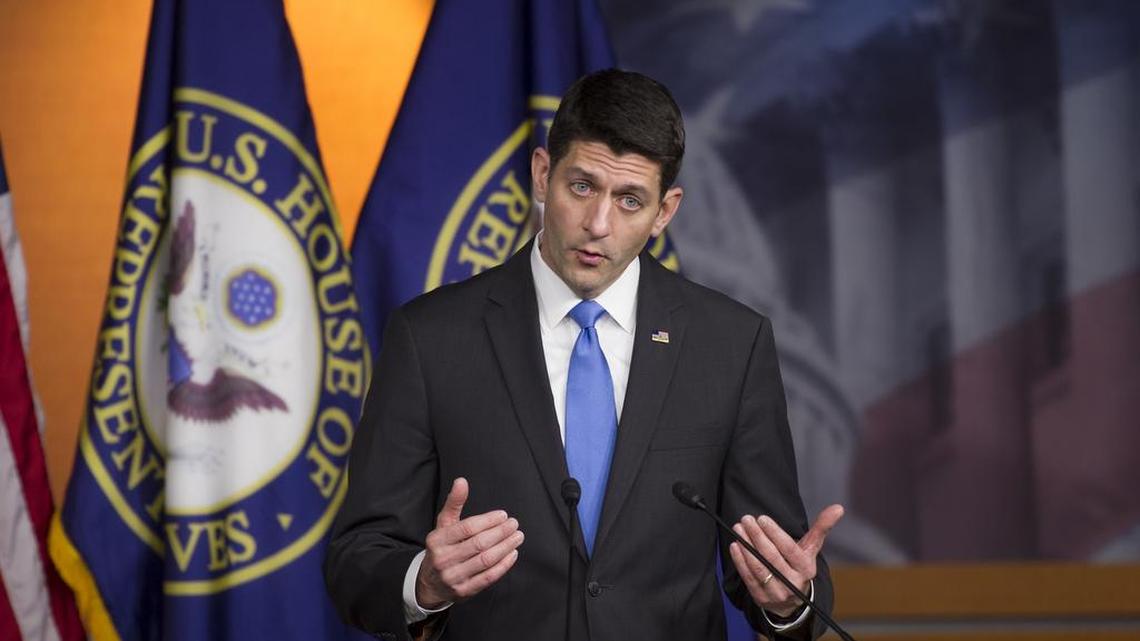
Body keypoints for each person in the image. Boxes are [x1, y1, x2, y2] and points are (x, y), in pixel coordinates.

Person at [324, 69, 843, 641]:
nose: (599, 225)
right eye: (581, 187)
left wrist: (790, 599)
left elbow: (772, 565)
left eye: (629, 201)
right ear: (543, 175)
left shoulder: (731, 345)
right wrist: (422, 581)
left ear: (664, 212)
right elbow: (356, 559)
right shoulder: (431, 338)